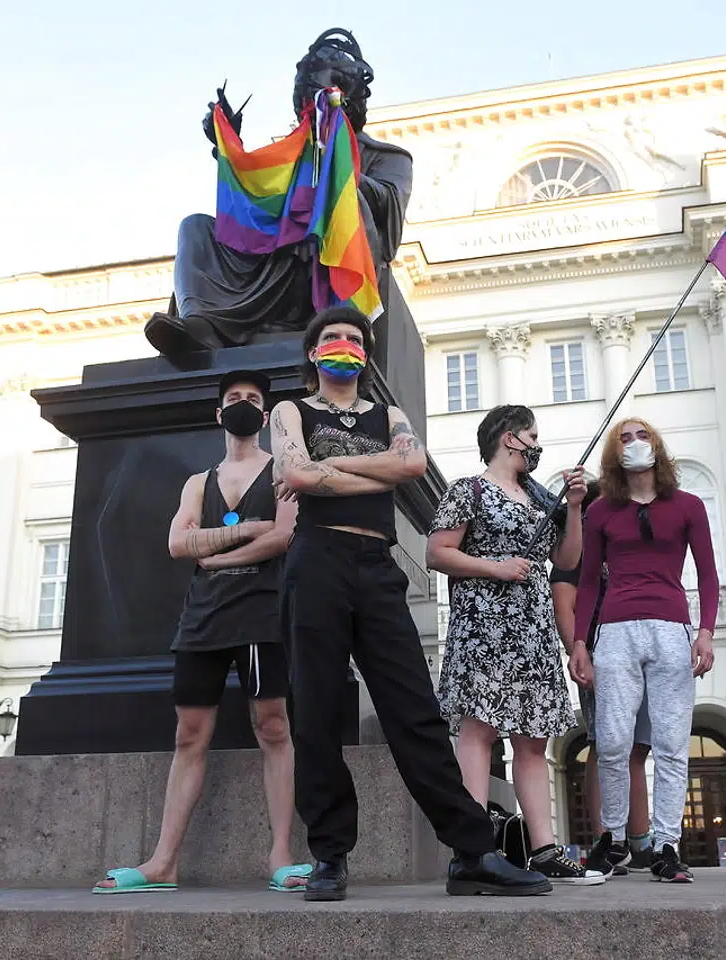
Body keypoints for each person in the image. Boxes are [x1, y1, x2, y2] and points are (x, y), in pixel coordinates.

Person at [272, 305, 551, 901]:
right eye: (331, 337)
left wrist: (333, 463)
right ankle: (329, 857)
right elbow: (294, 476)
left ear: (366, 354)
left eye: (354, 337)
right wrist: (371, 472)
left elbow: (413, 463)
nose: (343, 344)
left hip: (377, 566)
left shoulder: (387, 412)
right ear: (314, 351)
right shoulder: (290, 410)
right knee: (316, 712)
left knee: (415, 711)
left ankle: (471, 852)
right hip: (316, 561)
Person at [92, 370, 309, 894]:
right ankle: (163, 862)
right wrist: (245, 531)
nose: (243, 405)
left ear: (266, 415)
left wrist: (212, 550)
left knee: (273, 726)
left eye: (253, 400)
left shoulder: (282, 469)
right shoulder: (198, 482)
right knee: (189, 733)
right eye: (234, 398)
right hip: (203, 618)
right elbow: (175, 543)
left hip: (260, 614)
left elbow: (282, 536)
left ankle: (281, 856)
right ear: (220, 414)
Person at [145, 29, 412, 358]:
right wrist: (230, 150)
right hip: (272, 254)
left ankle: (336, 329)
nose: (312, 100)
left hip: (329, 262)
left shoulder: (390, 156)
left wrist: (336, 165)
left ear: (348, 97)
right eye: (307, 92)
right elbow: (258, 199)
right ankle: (202, 326)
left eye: (323, 90)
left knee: (340, 200)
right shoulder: (291, 151)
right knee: (195, 227)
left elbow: (389, 219)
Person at [426, 405, 601, 886]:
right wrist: (496, 566)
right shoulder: (470, 489)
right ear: (508, 438)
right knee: (479, 730)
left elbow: (566, 558)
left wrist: (577, 508)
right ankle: (472, 844)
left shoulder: (540, 497)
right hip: (484, 623)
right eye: (532, 435)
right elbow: (437, 552)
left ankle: (544, 848)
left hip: (531, 626)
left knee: (533, 736)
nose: (537, 444)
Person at [568, 419, 717, 883]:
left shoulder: (688, 506)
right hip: (615, 630)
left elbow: (708, 574)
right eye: (624, 439)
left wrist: (706, 631)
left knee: (672, 743)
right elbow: (588, 579)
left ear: (658, 446)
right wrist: (579, 642)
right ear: (614, 455)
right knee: (612, 741)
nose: (634, 444)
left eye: (642, 436)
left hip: (672, 627)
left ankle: (667, 846)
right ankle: (611, 839)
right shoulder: (601, 513)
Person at [547, 481, 654, 877]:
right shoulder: (576, 552)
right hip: (600, 656)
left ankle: (640, 842)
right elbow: (564, 607)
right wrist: (580, 652)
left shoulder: (622, 547)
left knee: (638, 748)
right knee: (604, 744)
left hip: (641, 651)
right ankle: (607, 839)